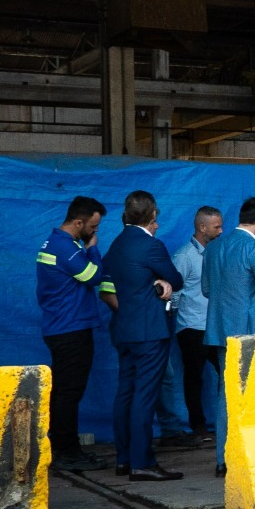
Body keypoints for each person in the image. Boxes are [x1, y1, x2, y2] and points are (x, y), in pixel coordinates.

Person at [98, 191, 185, 481]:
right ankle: (142, 462)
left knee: (125, 393)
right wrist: (161, 282)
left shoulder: (116, 244)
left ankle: (124, 459)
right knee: (144, 396)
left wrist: (153, 283)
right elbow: (176, 279)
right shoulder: (151, 246)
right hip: (149, 331)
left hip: (123, 329)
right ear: (152, 215)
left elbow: (114, 284)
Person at [202, 197, 255, 476]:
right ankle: (253, 456)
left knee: (226, 394)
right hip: (252, 332)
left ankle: (223, 459)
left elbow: (206, 289)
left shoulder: (214, 247)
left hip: (220, 331)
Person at [35, 195, 108, 472]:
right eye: (93, 227)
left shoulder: (55, 243)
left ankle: (64, 447)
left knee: (65, 392)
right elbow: (94, 276)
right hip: (70, 328)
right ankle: (66, 452)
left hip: (61, 326)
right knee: (68, 392)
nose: (95, 232)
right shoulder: (65, 247)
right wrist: (93, 249)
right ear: (78, 223)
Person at [168, 206, 223, 443]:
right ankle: (198, 427)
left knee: (227, 374)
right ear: (202, 227)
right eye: (216, 227)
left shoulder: (217, 252)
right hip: (192, 327)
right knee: (194, 378)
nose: (221, 231)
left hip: (216, 325)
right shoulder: (184, 256)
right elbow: (174, 293)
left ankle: (225, 423)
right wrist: (180, 317)